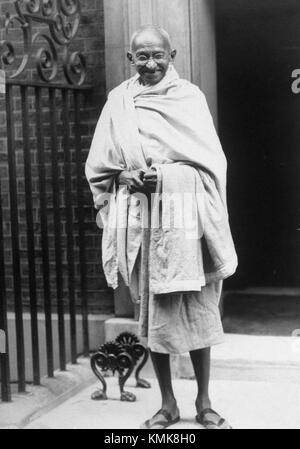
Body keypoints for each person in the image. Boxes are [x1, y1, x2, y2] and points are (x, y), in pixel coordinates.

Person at [85, 25, 238, 430]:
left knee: (199, 309)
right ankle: (168, 403)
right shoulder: (118, 101)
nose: (150, 64)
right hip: (143, 222)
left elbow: (211, 165)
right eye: (142, 57)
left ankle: (204, 401)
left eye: (158, 55)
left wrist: (168, 178)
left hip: (188, 224)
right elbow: (101, 167)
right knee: (153, 314)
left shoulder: (190, 98)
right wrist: (125, 179)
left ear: (172, 55)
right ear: (130, 59)